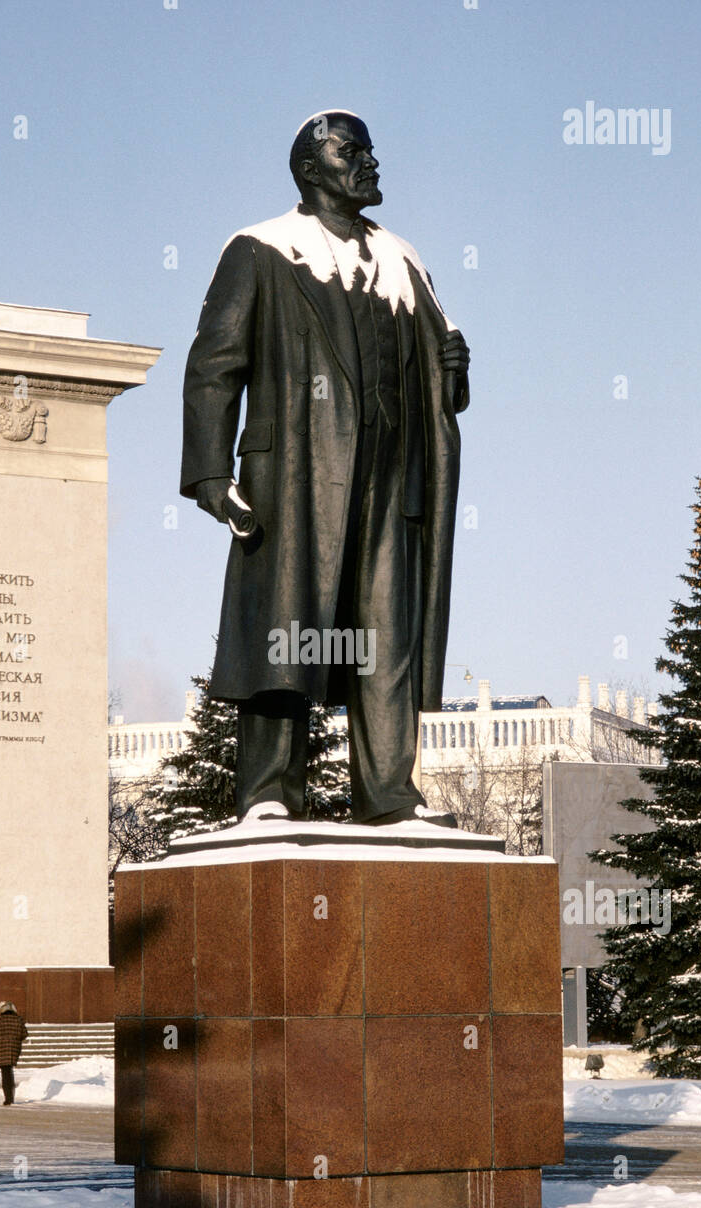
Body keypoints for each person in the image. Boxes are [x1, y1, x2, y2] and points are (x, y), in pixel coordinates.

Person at [181, 110, 470, 826]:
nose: (370, 163)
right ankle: (270, 794)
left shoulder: (404, 262)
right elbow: (215, 364)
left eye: (370, 150)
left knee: (384, 639)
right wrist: (212, 475)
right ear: (310, 171)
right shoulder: (260, 249)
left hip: (389, 479)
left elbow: (442, 386)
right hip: (295, 479)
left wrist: (454, 372)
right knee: (286, 631)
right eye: (353, 152)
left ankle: (390, 796)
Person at [0, 1000, 28, 1106]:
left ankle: (8, 1098)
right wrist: (15, 1039)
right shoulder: (19, 1019)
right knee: (9, 1072)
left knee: (5, 1073)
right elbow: (24, 1034)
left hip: (2, 1048)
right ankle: (11, 1096)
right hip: (15, 1048)